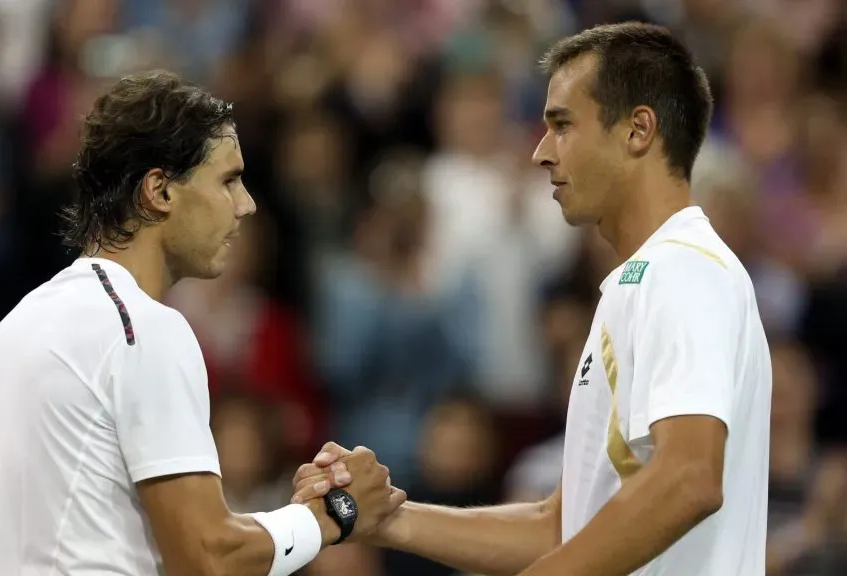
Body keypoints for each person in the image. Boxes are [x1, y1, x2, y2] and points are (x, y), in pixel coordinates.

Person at [294, 21, 772, 576]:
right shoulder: (644, 279)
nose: (540, 153)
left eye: (562, 125)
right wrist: (385, 519)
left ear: (638, 130)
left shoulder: (682, 268)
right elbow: (559, 529)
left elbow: (690, 477)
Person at [0, 70, 404, 575]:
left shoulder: (11, 330)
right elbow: (207, 556)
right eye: (228, 180)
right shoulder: (141, 330)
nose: (246, 205)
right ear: (159, 191)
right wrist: (331, 516)